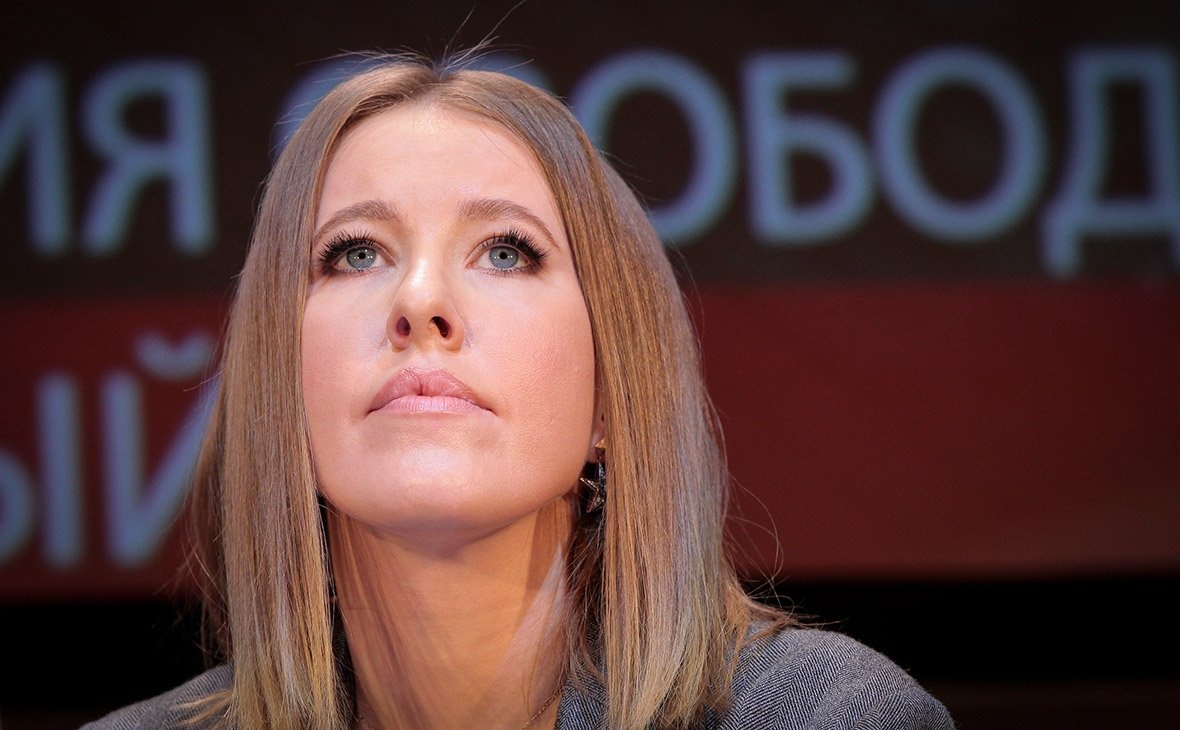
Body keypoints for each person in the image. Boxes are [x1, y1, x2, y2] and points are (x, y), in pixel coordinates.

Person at [85, 53, 954, 729]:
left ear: (611, 392)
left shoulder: (827, 716)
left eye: (506, 252)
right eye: (355, 253)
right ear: (278, 381)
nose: (419, 300)